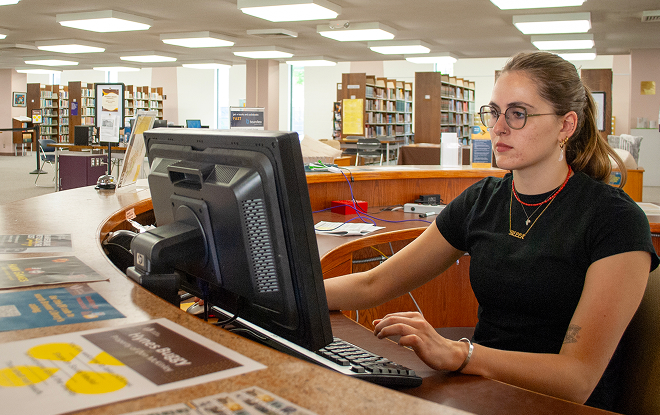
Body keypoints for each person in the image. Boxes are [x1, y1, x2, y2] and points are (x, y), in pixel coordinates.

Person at [324, 51, 659, 411]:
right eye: (494, 112)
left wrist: (460, 354)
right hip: (483, 390)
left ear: (566, 126)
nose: (498, 128)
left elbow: (577, 378)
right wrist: (280, 293)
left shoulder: (614, 219)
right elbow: (374, 284)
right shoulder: (482, 200)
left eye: (518, 114)